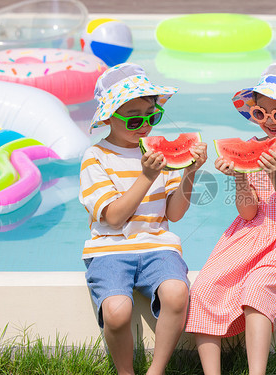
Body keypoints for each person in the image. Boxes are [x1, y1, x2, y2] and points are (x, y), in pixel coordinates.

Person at [185, 62, 276, 375]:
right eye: (261, 113)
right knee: (202, 289)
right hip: (247, 236)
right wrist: (240, 175)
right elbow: (248, 212)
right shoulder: (250, 148)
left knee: (257, 291)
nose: (269, 121)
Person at [79, 62, 207, 375]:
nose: (146, 125)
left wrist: (189, 171)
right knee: (117, 312)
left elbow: (174, 214)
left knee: (178, 293)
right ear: (109, 117)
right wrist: (147, 176)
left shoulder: (158, 153)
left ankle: (156, 369)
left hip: (159, 246)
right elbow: (113, 218)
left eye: (153, 116)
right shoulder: (96, 157)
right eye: (135, 118)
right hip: (110, 248)